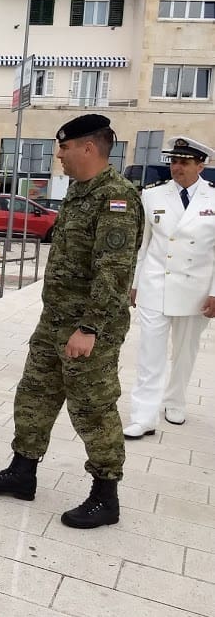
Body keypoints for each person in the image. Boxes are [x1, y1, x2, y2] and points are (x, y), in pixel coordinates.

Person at [0, 114, 144, 529]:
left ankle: (105, 496)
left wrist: (90, 328)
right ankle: (22, 471)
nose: (59, 156)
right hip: (55, 320)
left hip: (88, 328)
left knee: (92, 408)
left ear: (89, 147)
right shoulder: (79, 192)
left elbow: (113, 272)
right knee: (35, 393)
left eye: (64, 148)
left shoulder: (116, 197)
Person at [124, 136, 215, 438]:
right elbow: (143, 244)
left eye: (184, 162)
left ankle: (175, 401)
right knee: (150, 354)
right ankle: (144, 416)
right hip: (156, 283)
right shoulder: (152, 195)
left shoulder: (213, 198)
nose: (177, 167)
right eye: (174, 161)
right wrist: (135, 283)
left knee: (185, 352)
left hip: (195, 289)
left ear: (201, 165)